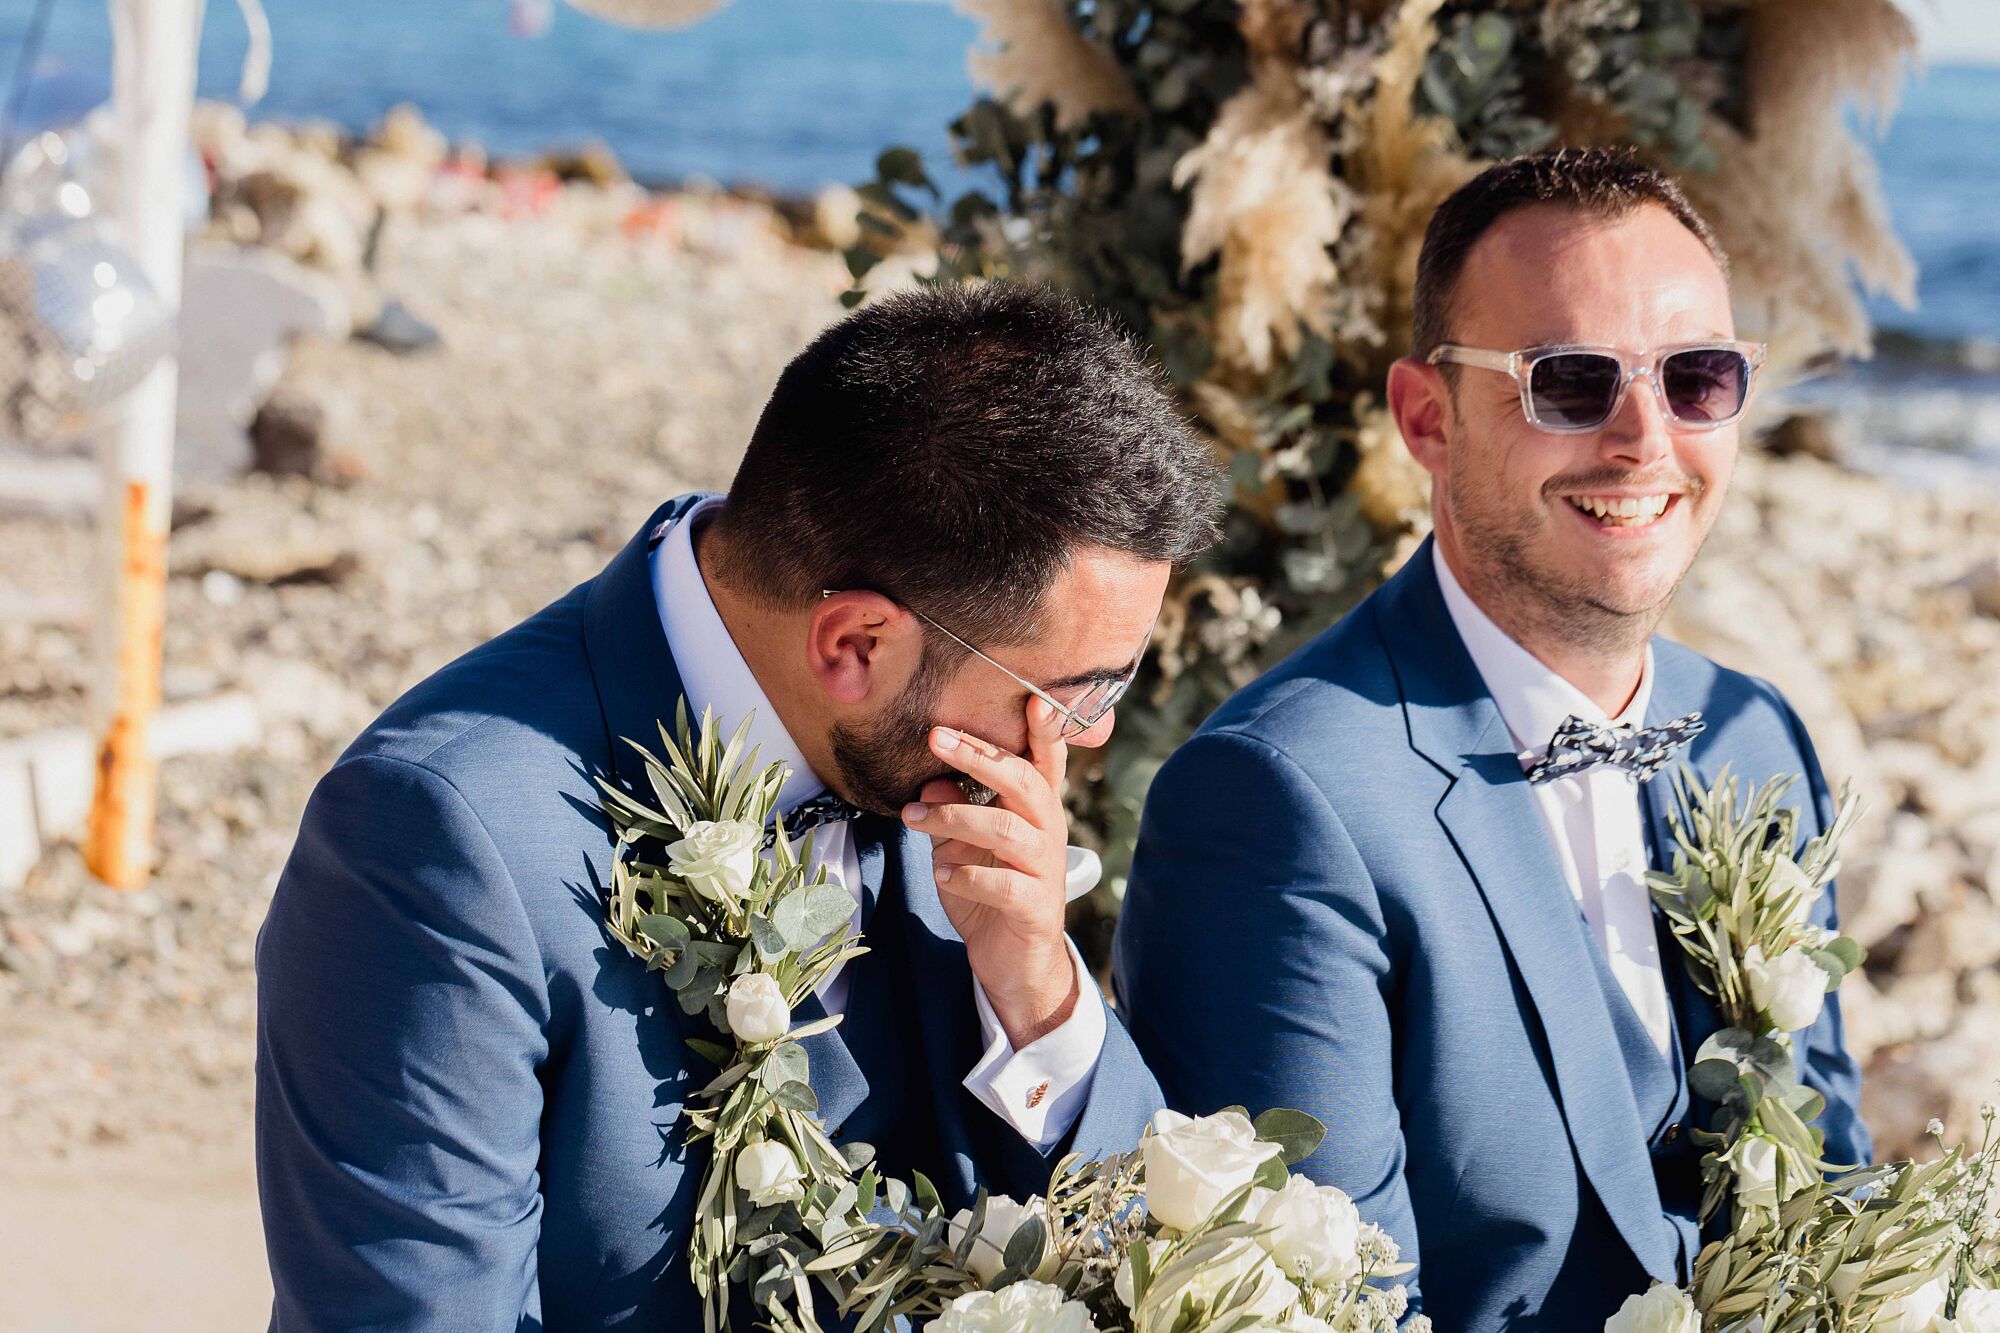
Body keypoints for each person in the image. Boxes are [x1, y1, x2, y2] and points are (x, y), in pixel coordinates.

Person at [255, 283, 1222, 1329]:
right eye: (1072, 691)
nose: (1086, 739)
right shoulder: (439, 839)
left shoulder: (955, 788)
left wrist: (1036, 991)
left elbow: (1148, 1255)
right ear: (854, 645)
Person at [1113, 148, 1870, 1330]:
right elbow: (1334, 1308)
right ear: (1425, 417)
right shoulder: (1279, 799)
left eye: (1695, 378)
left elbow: (1830, 1185)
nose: (1641, 440)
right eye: (1567, 382)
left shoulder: (1751, 736)